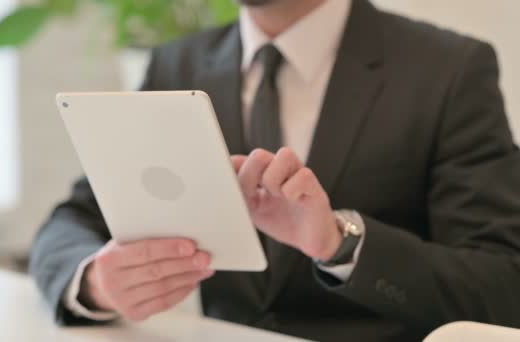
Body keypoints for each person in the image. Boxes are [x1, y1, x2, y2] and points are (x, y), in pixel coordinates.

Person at [29, 0, 520, 341]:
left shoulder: (449, 71)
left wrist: (340, 241)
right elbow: (72, 221)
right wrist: (95, 282)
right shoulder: (177, 65)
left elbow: (502, 285)